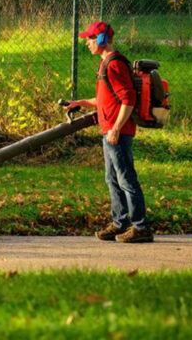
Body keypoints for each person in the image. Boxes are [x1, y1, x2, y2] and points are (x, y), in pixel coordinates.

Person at [65, 21, 153, 243]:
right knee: (112, 179)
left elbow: (128, 99)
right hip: (111, 132)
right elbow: (107, 98)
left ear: (102, 39)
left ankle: (140, 227)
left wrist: (116, 128)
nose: (87, 43)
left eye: (90, 39)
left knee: (126, 179)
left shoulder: (113, 65)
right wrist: (81, 102)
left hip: (118, 133)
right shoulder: (106, 64)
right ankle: (119, 223)